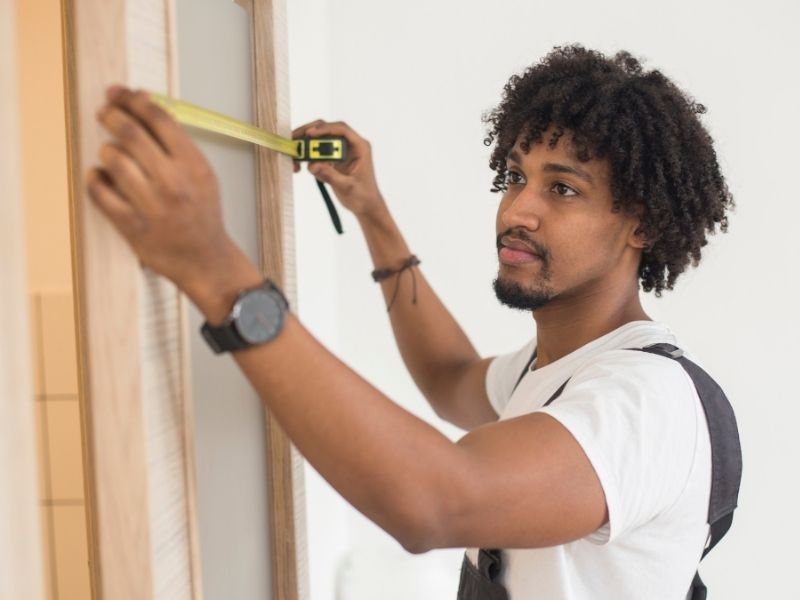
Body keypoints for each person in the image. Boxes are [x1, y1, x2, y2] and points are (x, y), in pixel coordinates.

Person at [87, 44, 735, 599]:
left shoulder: (644, 404)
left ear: (641, 224)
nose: (518, 210)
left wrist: (219, 274)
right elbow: (447, 375)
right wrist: (371, 211)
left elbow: (434, 502)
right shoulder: (559, 371)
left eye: (561, 189)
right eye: (515, 176)